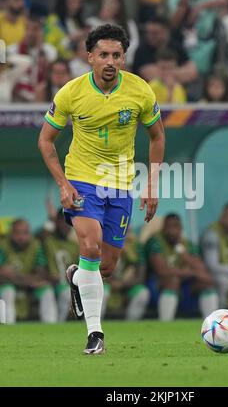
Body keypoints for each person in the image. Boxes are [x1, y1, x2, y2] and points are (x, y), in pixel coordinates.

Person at [38, 24, 165, 354]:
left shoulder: (140, 92)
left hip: (121, 184)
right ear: (89, 56)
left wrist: (151, 184)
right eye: (104, 55)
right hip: (81, 180)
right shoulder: (70, 93)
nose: (110, 61)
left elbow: (157, 137)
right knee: (91, 247)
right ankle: (95, 335)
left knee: (105, 266)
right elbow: (45, 141)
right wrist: (63, 184)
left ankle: (78, 277)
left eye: (117, 55)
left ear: (124, 59)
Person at [144, 213, 218, 320]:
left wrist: (184, 255)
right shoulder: (155, 242)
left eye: (176, 227)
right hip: (157, 287)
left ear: (181, 229)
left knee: (206, 281)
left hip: (183, 286)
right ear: (164, 228)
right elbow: (161, 271)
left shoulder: (186, 244)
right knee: (173, 280)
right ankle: (165, 324)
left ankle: (211, 324)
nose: (172, 231)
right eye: (169, 227)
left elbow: (201, 269)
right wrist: (187, 272)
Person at [0, 219, 57, 323]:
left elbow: (41, 274)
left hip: (30, 289)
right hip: (8, 287)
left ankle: (52, 328)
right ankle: (8, 328)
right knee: (8, 290)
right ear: (11, 233)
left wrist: (14, 277)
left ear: (30, 233)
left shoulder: (36, 246)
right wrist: (29, 281)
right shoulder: (2, 246)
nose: (21, 237)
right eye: (17, 233)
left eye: (25, 233)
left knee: (47, 290)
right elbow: (2, 276)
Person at [102, 228, 150, 320]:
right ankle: (94, 327)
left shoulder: (135, 247)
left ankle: (131, 327)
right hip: (106, 286)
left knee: (143, 293)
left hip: (126, 287)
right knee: (102, 292)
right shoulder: (104, 243)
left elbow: (141, 277)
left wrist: (129, 254)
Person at [86, 0, 139, 69]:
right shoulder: (91, 22)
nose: (111, 5)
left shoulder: (128, 23)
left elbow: (135, 42)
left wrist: (123, 57)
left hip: (124, 62)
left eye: (115, 2)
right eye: (108, 2)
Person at [8, 14, 57, 102]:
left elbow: (49, 78)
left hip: (43, 100)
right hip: (17, 99)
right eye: (27, 29)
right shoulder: (12, 50)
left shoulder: (50, 51)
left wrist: (40, 51)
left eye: (35, 29)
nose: (30, 33)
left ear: (42, 31)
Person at [43, 209, 79, 322]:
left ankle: (60, 325)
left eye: (69, 222)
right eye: (63, 221)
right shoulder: (47, 241)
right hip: (49, 281)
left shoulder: (74, 245)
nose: (66, 225)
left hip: (65, 283)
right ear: (57, 222)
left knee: (66, 292)